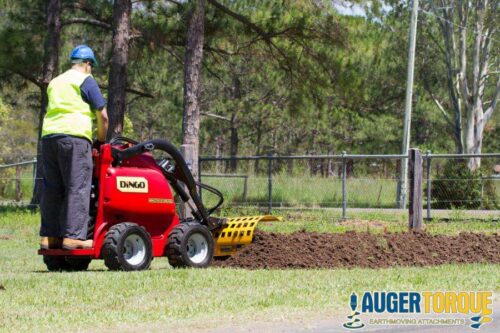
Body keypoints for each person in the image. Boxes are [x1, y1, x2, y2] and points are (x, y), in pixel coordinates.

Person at [40, 45, 108, 250]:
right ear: (88, 65)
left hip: (49, 137)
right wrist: (100, 141)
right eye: (91, 66)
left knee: (53, 189)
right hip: (75, 138)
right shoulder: (86, 80)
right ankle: (73, 237)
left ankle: (49, 237)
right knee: (78, 187)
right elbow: (103, 116)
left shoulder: (55, 82)